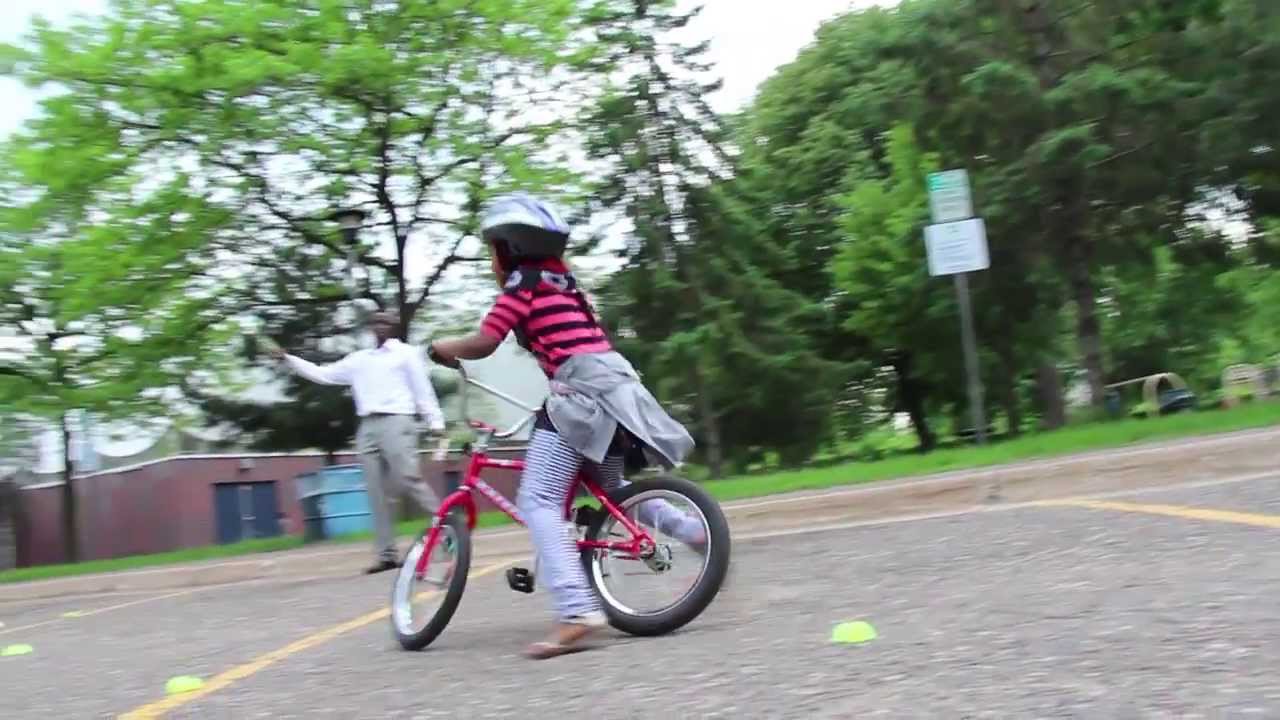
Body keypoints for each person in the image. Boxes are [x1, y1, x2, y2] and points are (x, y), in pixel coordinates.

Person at [428, 193, 706, 659]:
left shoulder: (522, 284)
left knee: (538, 500)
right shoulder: (565, 284)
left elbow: (484, 342)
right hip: (617, 392)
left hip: (580, 396)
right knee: (615, 490)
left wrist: (442, 347)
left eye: (493, 247)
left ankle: (577, 610)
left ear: (508, 249)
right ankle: (698, 533)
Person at [271, 310, 446, 574]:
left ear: (394, 326)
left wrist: (436, 424)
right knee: (375, 491)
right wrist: (288, 359)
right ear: (370, 327)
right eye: (375, 322)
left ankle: (447, 530)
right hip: (368, 426)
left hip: (398, 421)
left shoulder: (406, 354)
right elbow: (323, 374)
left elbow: (423, 390)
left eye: (385, 322)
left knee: (408, 477)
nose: (380, 326)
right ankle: (386, 554)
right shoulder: (359, 360)